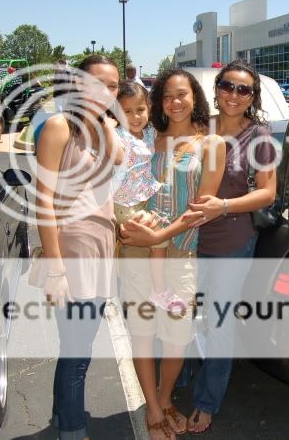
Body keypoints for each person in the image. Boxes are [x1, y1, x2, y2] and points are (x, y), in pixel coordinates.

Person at [119, 69, 226, 440]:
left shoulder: (211, 146)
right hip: (137, 253)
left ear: (195, 97)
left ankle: (165, 398)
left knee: (177, 334)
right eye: (166, 96)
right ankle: (152, 408)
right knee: (144, 332)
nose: (175, 102)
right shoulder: (150, 138)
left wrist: (159, 236)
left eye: (182, 95)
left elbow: (200, 208)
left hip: (181, 254)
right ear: (158, 102)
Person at [178, 60, 277, 434]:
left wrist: (221, 206)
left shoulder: (259, 137)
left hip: (231, 241)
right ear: (216, 88)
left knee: (218, 322)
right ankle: (179, 379)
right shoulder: (199, 128)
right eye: (228, 86)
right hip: (186, 238)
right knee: (182, 314)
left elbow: (268, 192)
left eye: (243, 89)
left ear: (252, 97)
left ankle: (207, 402)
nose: (234, 95)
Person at [36, 54, 125, 440]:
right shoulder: (59, 127)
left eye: (114, 86)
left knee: (77, 345)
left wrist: (103, 118)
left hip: (100, 248)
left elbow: (119, 158)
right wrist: (54, 270)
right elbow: (43, 201)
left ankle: (62, 416)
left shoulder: (102, 128)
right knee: (77, 351)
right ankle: (73, 428)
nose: (106, 91)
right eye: (96, 83)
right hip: (71, 252)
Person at [112, 81, 185, 311]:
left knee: (153, 240)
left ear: (149, 108)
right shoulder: (117, 135)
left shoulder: (150, 133)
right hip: (124, 203)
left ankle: (143, 290)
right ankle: (159, 290)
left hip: (143, 198)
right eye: (127, 111)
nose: (135, 117)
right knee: (158, 238)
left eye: (140, 110)